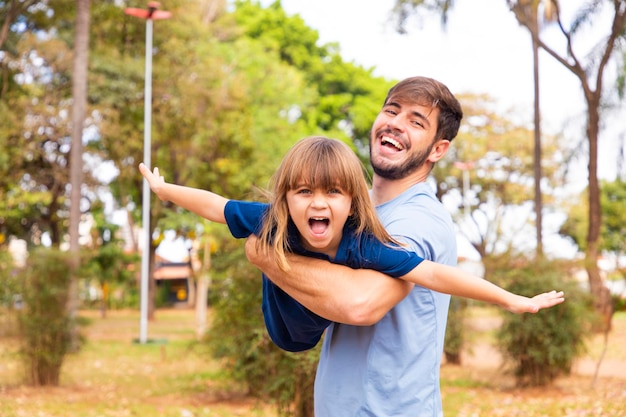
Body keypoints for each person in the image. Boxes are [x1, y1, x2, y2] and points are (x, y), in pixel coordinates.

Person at [242, 76, 543, 416]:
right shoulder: (351, 212)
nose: (396, 124)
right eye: (392, 110)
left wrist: (267, 255)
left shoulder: (416, 220)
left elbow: (360, 304)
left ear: (437, 149)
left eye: (416, 121)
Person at [139, 136, 563, 348]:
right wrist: (165, 190)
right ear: (286, 197)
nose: (317, 203)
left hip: (315, 325)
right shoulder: (275, 219)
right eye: (303, 192)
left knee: (268, 247)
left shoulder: (364, 244)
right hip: (281, 325)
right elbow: (217, 206)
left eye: (332, 193)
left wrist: (512, 300)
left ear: (352, 201)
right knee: (262, 239)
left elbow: (433, 272)